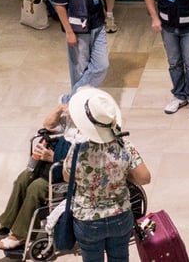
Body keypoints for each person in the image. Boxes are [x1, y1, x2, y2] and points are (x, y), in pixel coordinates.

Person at [63, 86, 151, 262]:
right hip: (120, 215)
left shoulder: (78, 148)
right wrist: (121, 176)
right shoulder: (123, 144)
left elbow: (67, 176)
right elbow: (144, 177)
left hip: (87, 219)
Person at [0, 103, 74, 251]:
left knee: (36, 188)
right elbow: (48, 125)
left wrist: (54, 157)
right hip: (49, 166)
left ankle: (20, 235)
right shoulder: (71, 122)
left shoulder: (88, 134)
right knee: (23, 178)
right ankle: (7, 220)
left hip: (65, 173)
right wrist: (60, 109)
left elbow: (82, 161)